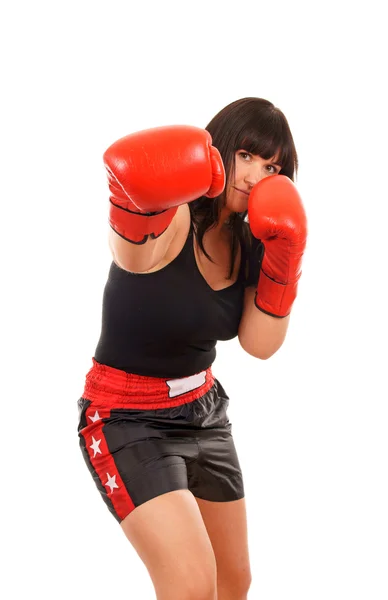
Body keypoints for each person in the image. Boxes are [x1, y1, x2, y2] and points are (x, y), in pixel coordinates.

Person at [77, 97, 307, 600]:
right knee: (190, 586)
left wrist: (283, 265)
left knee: (233, 582)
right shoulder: (173, 216)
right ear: (221, 148)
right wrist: (133, 200)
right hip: (128, 418)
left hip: (204, 413)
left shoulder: (256, 244)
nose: (255, 175)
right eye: (247, 155)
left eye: (272, 166)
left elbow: (260, 344)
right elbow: (132, 257)